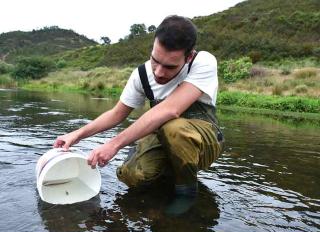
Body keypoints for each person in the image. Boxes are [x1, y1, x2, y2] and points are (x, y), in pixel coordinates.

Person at [54, 15, 224, 213]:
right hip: (163, 136)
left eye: (170, 67)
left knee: (174, 128)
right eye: (155, 60)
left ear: (188, 57)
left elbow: (171, 110)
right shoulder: (141, 75)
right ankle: (169, 177)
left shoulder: (203, 61)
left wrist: (113, 145)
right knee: (131, 175)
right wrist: (76, 135)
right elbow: (117, 113)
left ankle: (186, 192)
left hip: (205, 139)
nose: (159, 72)